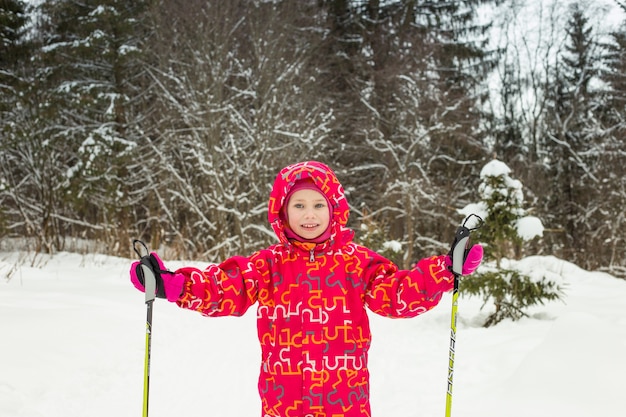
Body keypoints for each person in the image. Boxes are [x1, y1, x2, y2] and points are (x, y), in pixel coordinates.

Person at [130, 160, 483, 417]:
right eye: (298, 205)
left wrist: (443, 271)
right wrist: (171, 284)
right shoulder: (268, 264)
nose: (309, 214)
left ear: (334, 210)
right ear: (282, 213)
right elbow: (226, 288)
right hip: (285, 403)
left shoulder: (356, 262)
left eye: (318, 205)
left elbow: (396, 294)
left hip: (345, 402)